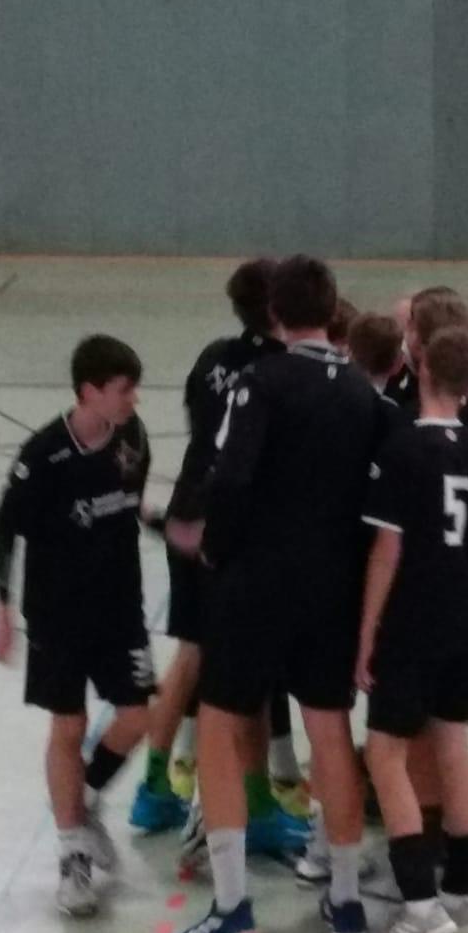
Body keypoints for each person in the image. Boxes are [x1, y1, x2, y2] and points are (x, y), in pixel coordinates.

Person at [164, 255, 390, 933]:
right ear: (330, 308)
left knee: (219, 728)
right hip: (332, 587)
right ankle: (345, 898)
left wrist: (213, 548)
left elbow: (231, 479)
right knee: (330, 732)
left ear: (274, 315)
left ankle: (232, 904)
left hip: (255, 583)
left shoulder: (258, 384)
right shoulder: (363, 392)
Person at [0, 335, 155, 917]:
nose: (133, 399)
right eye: (123, 389)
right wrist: (1, 607)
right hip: (57, 613)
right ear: (90, 391)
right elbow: (4, 526)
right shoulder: (45, 454)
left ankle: (82, 799)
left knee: (138, 714)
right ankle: (72, 855)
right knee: (69, 724)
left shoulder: (133, 438)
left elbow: (130, 507)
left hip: (120, 607)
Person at [356, 327, 468, 933]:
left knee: (385, 753)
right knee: (451, 742)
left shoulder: (402, 448)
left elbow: (388, 549)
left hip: (412, 616)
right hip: (466, 614)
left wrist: (366, 634)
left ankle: (418, 904)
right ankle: (460, 896)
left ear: (422, 372)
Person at [135, 259, 281, 833]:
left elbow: (200, 424)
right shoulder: (279, 370)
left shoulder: (213, 357)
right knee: (250, 662)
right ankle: (258, 803)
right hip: (233, 527)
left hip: (187, 509)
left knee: (191, 653)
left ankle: (153, 786)